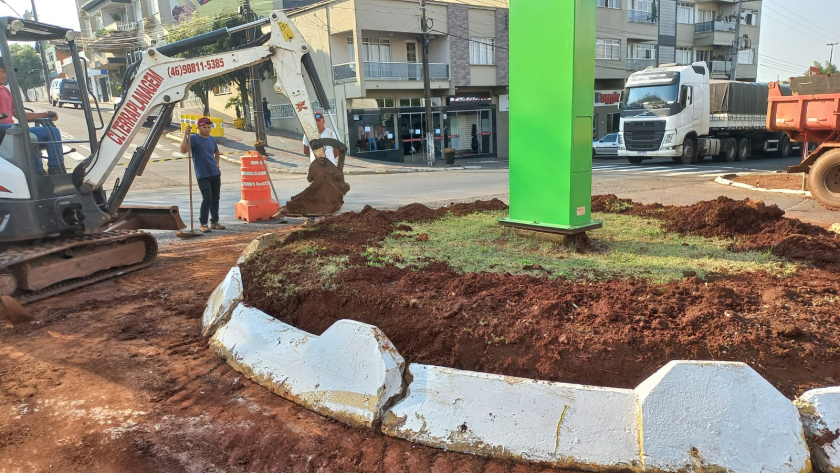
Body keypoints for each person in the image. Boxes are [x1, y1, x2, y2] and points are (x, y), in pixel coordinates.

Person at [0, 63, 62, 174]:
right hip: (5, 130)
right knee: (20, 132)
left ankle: (56, 169)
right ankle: (37, 172)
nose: (6, 76)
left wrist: (44, 115)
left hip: (11, 129)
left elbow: (18, 113)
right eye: (2, 72)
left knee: (52, 131)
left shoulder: (5, 90)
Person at [180, 117, 224, 233]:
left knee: (216, 198)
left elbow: (216, 151)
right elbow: (184, 150)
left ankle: (214, 221)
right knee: (207, 199)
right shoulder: (194, 138)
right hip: (202, 174)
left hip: (214, 172)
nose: (207, 129)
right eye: (204, 127)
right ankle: (203, 223)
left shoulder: (212, 139)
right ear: (199, 127)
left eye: (209, 127)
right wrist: (186, 135)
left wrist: (217, 163)